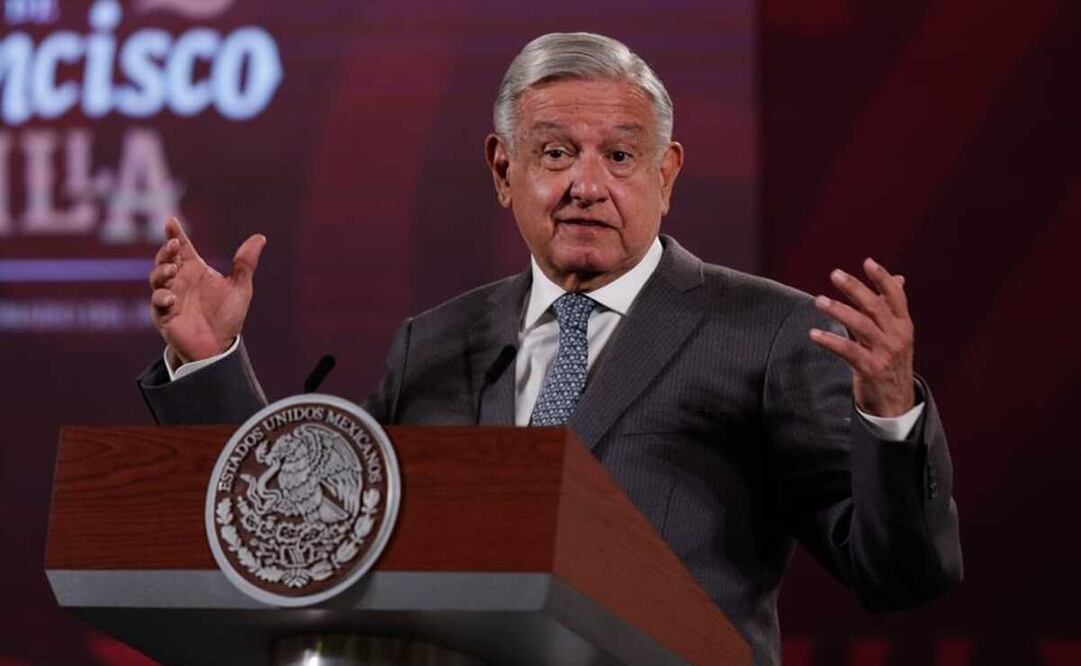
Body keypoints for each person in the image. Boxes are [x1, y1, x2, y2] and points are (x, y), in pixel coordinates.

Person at [138, 32, 962, 665]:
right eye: (555, 153)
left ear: (666, 173)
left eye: (620, 156)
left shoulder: (767, 331)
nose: (586, 184)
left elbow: (898, 576)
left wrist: (888, 416)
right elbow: (312, 538)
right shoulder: (436, 340)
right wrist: (213, 365)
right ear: (503, 170)